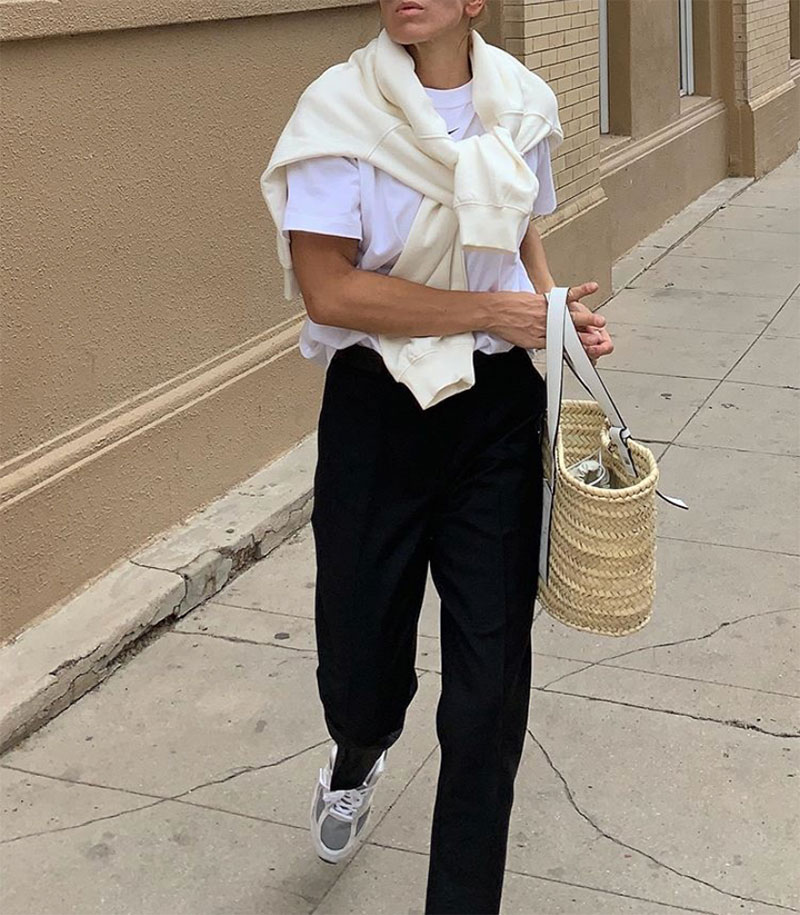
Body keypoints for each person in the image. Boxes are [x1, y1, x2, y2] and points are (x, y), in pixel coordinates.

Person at [260, 2, 613, 912]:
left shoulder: (522, 105)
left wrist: (550, 310)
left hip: (494, 413)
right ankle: (357, 748)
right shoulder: (340, 109)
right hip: (380, 410)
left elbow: (518, 234)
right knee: (362, 660)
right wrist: (491, 313)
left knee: (490, 688)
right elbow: (329, 288)